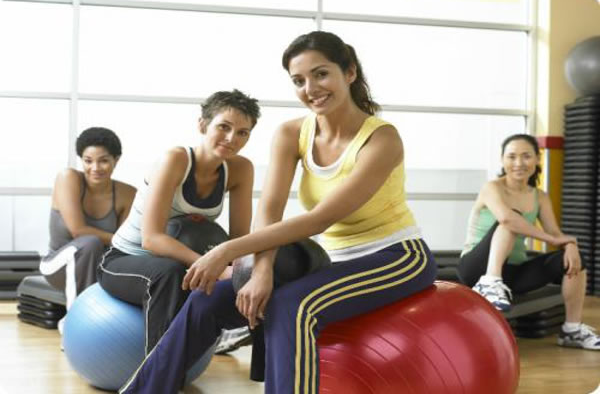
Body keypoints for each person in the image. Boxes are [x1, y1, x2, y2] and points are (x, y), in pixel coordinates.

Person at [118, 30, 437, 394]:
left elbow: (319, 219)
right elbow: (270, 209)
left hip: (396, 256)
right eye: (298, 80)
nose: (310, 88)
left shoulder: (381, 139)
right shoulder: (292, 133)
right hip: (330, 261)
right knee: (208, 298)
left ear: (349, 72)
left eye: (321, 74)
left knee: (292, 306)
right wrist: (260, 269)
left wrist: (226, 251)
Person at [97, 89, 260, 355]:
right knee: (169, 274)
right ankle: (157, 372)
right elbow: (152, 239)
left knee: (259, 273)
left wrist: (246, 272)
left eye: (243, 132)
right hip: (124, 259)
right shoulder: (176, 159)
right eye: (224, 127)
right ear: (203, 125)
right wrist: (213, 267)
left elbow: (239, 239)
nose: (232, 138)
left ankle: (250, 353)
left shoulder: (241, 169)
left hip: (179, 263)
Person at [458, 133, 600, 350]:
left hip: (514, 273)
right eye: (512, 156)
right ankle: (490, 282)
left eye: (526, 156)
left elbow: (555, 232)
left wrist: (570, 246)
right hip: (477, 268)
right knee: (511, 219)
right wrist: (554, 239)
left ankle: (572, 330)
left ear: (537, 159)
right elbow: (507, 220)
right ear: (502, 160)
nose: (519, 163)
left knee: (574, 260)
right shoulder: (492, 188)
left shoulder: (540, 196)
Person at [39, 127, 136, 313]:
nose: (95, 168)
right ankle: (74, 320)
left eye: (104, 161)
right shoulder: (68, 178)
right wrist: (118, 239)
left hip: (100, 266)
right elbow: (79, 231)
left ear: (116, 160)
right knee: (90, 242)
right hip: (57, 266)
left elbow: (124, 245)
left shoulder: (127, 193)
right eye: (88, 161)